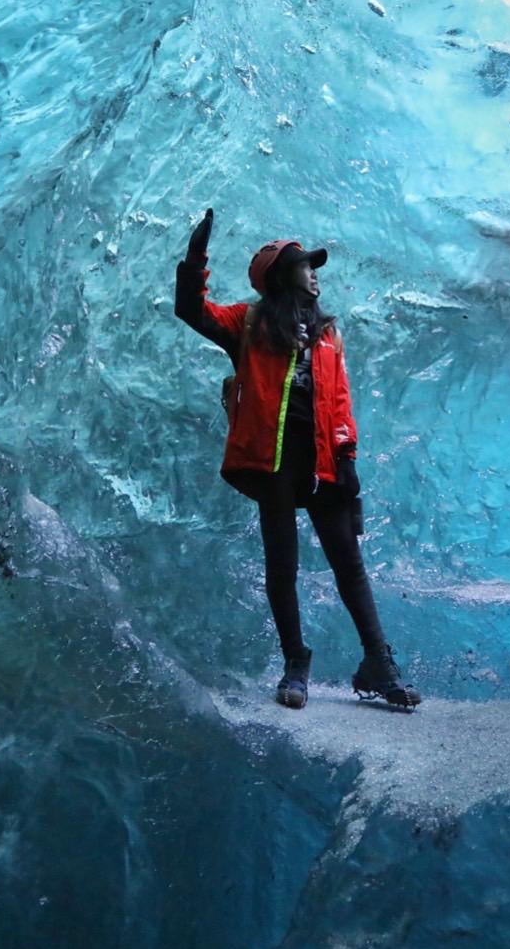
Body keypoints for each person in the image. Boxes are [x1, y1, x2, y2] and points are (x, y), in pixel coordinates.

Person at [174, 207, 422, 711]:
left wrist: (348, 459)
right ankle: (296, 664)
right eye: (306, 265)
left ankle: (380, 664)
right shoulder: (247, 324)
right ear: (281, 276)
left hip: (325, 463)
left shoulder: (329, 334)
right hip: (273, 465)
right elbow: (191, 309)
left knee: (349, 566)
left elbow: (340, 401)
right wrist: (195, 256)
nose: (315, 273)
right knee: (281, 566)